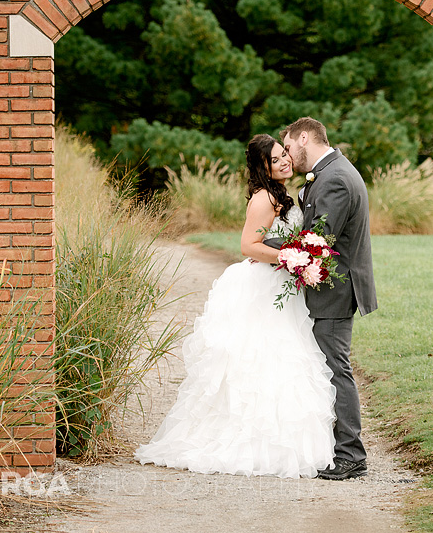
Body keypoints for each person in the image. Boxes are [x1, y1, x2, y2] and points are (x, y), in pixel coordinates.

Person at [136, 134, 336, 479]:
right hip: (263, 285)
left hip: (281, 286)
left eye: (284, 155)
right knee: (259, 361)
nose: (285, 161)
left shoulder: (282, 194)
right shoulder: (263, 198)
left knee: (283, 360)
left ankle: (282, 442)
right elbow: (247, 245)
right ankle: (251, 443)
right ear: (263, 167)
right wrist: (292, 258)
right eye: (276, 159)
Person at [277, 117, 377, 481]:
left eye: (288, 146)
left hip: (335, 290)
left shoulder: (334, 177)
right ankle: (337, 448)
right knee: (328, 367)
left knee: (336, 369)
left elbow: (318, 242)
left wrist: (268, 248)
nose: (288, 155)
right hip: (332, 289)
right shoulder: (332, 171)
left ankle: (351, 455)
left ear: (305, 137)